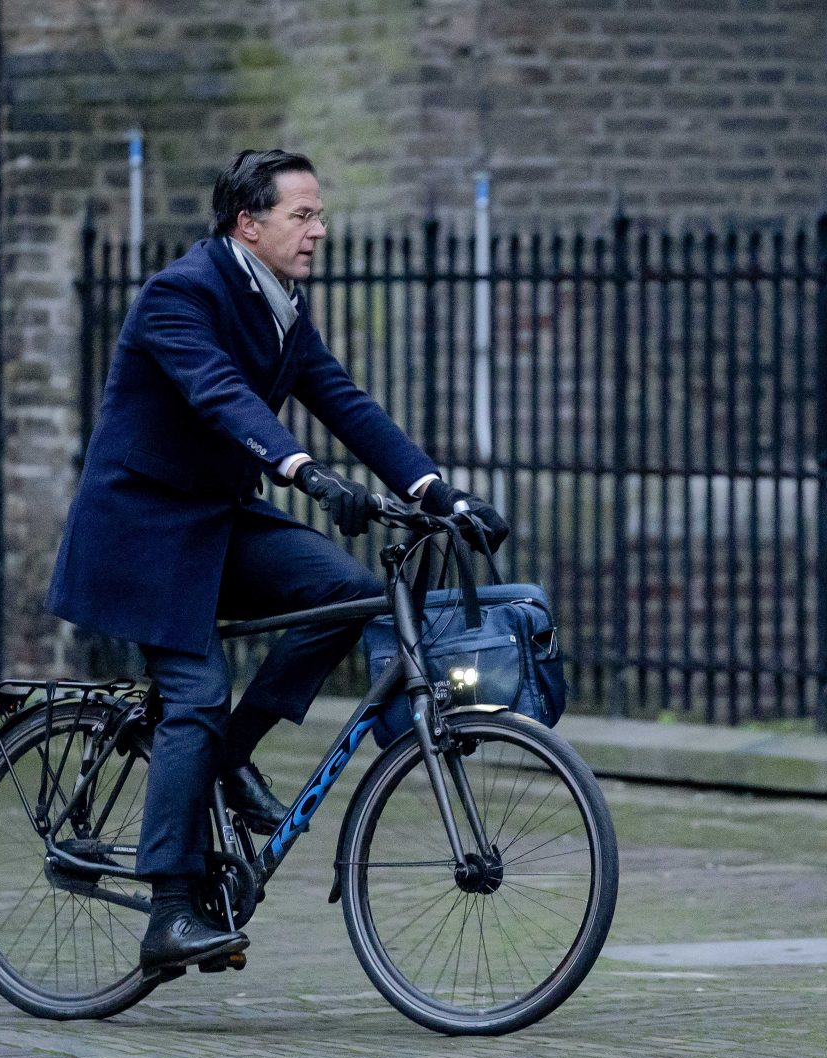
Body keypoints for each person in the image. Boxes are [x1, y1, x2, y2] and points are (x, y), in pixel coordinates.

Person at [46, 149, 508, 974]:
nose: (319, 230)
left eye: (320, 214)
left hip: (216, 520)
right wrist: (304, 471)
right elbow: (219, 392)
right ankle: (170, 911)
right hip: (143, 530)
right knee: (194, 691)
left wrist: (441, 493)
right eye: (303, 215)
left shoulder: (284, 305)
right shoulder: (180, 295)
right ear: (246, 224)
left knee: (352, 591)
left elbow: (346, 401)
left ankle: (223, 758)